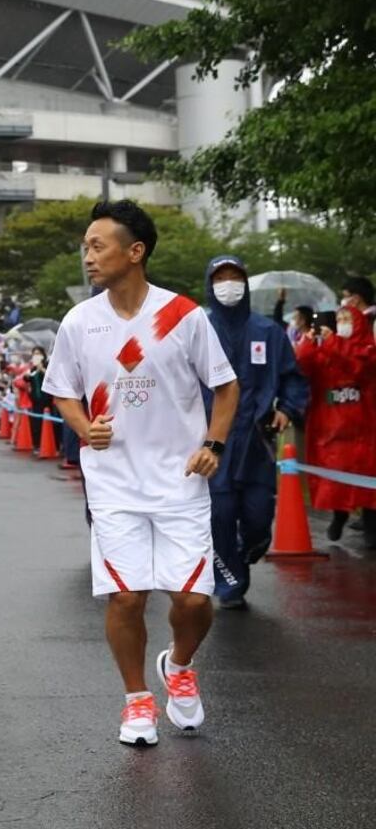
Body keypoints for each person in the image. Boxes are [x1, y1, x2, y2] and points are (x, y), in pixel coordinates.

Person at [43, 200, 239, 748]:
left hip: (179, 480)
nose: (88, 256)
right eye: (85, 245)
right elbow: (61, 390)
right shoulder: (80, 322)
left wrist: (213, 443)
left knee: (194, 601)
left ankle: (178, 663)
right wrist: (85, 427)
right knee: (127, 597)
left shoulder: (183, 316)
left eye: (97, 245)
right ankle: (137, 701)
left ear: (136, 252)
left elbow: (225, 387)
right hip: (115, 484)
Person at [203, 256, 308, 608]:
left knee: (258, 516)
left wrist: (287, 409)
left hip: (257, 443)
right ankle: (230, 584)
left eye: (235, 277)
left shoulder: (268, 332)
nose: (228, 284)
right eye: (221, 278)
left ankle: (251, 547)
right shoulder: (198, 330)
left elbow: (293, 378)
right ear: (210, 284)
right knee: (219, 516)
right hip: (213, 445)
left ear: (245, 284)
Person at [295, 300, 376, 546]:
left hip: (365, 430)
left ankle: (372, 528)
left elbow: (358, 368)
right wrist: (308, 340)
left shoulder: (368, 350)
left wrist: (333, 344)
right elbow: (304, 364)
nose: (342, 326)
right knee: (336, 478)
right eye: (339, 321)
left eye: (347, 321)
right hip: (332, 431)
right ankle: (338, 515)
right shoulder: (325, 350)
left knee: (369, 480)